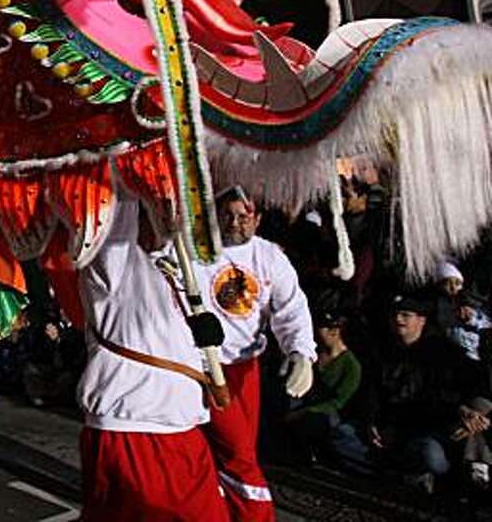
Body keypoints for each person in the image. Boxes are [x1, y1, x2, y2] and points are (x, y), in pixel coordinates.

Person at [77, 194, 228, 522]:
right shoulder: (111, 265)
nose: (167, 216)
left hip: (184, 429)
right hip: (134, 433)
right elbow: (110, 212)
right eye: (155, 207)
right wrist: (131, 164)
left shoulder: (174, 264)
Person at [196, 186, 315, 522]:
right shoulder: (197, 252)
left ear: (257, 219)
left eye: (243, 216)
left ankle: (220, 510)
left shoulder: (269, 257)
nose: (235, 223)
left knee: (241, 450)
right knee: (238, 455)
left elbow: (291, 309)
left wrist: (301, 351)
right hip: (207, 369)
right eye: (228, 215)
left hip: (247, 368)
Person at [340, 293, 485, 493]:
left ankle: (403, 471)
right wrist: (372, 423)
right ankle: (390, 471)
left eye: (405, 315)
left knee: (430, 455)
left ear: (421, 320)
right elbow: (370, 391)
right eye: (394, 315)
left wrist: (398, 430)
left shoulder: (443, 354)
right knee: (342, 434)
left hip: (422, 429)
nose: (398, 320)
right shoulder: (382, 350)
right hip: (385, 428)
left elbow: (435, 401)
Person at [285, 309, 362, 461]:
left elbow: (339, 402)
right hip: (303, 403)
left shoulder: (350, 365)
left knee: (315, 421)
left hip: (329, 413)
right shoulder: (314, 353)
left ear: (335, 331)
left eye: (323, 328)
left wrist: (305, 411)